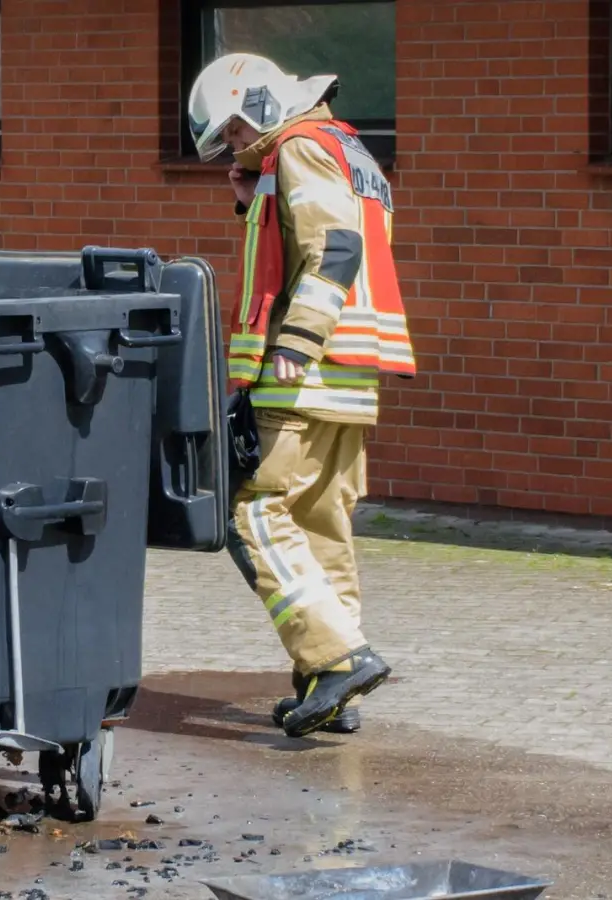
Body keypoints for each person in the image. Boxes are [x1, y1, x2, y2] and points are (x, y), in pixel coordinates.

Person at [186, 53, 417, 738]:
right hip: (350, 374)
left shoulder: (298, 149)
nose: (234, 145)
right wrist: (249, 194)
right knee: (321, 525)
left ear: (254, 105)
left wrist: (293, 346)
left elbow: (334, 248)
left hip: (303, 370)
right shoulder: (345, 148)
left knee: (251, 512)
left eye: (231, 132)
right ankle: (330, 684)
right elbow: (331, 235)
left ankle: (338, 659)